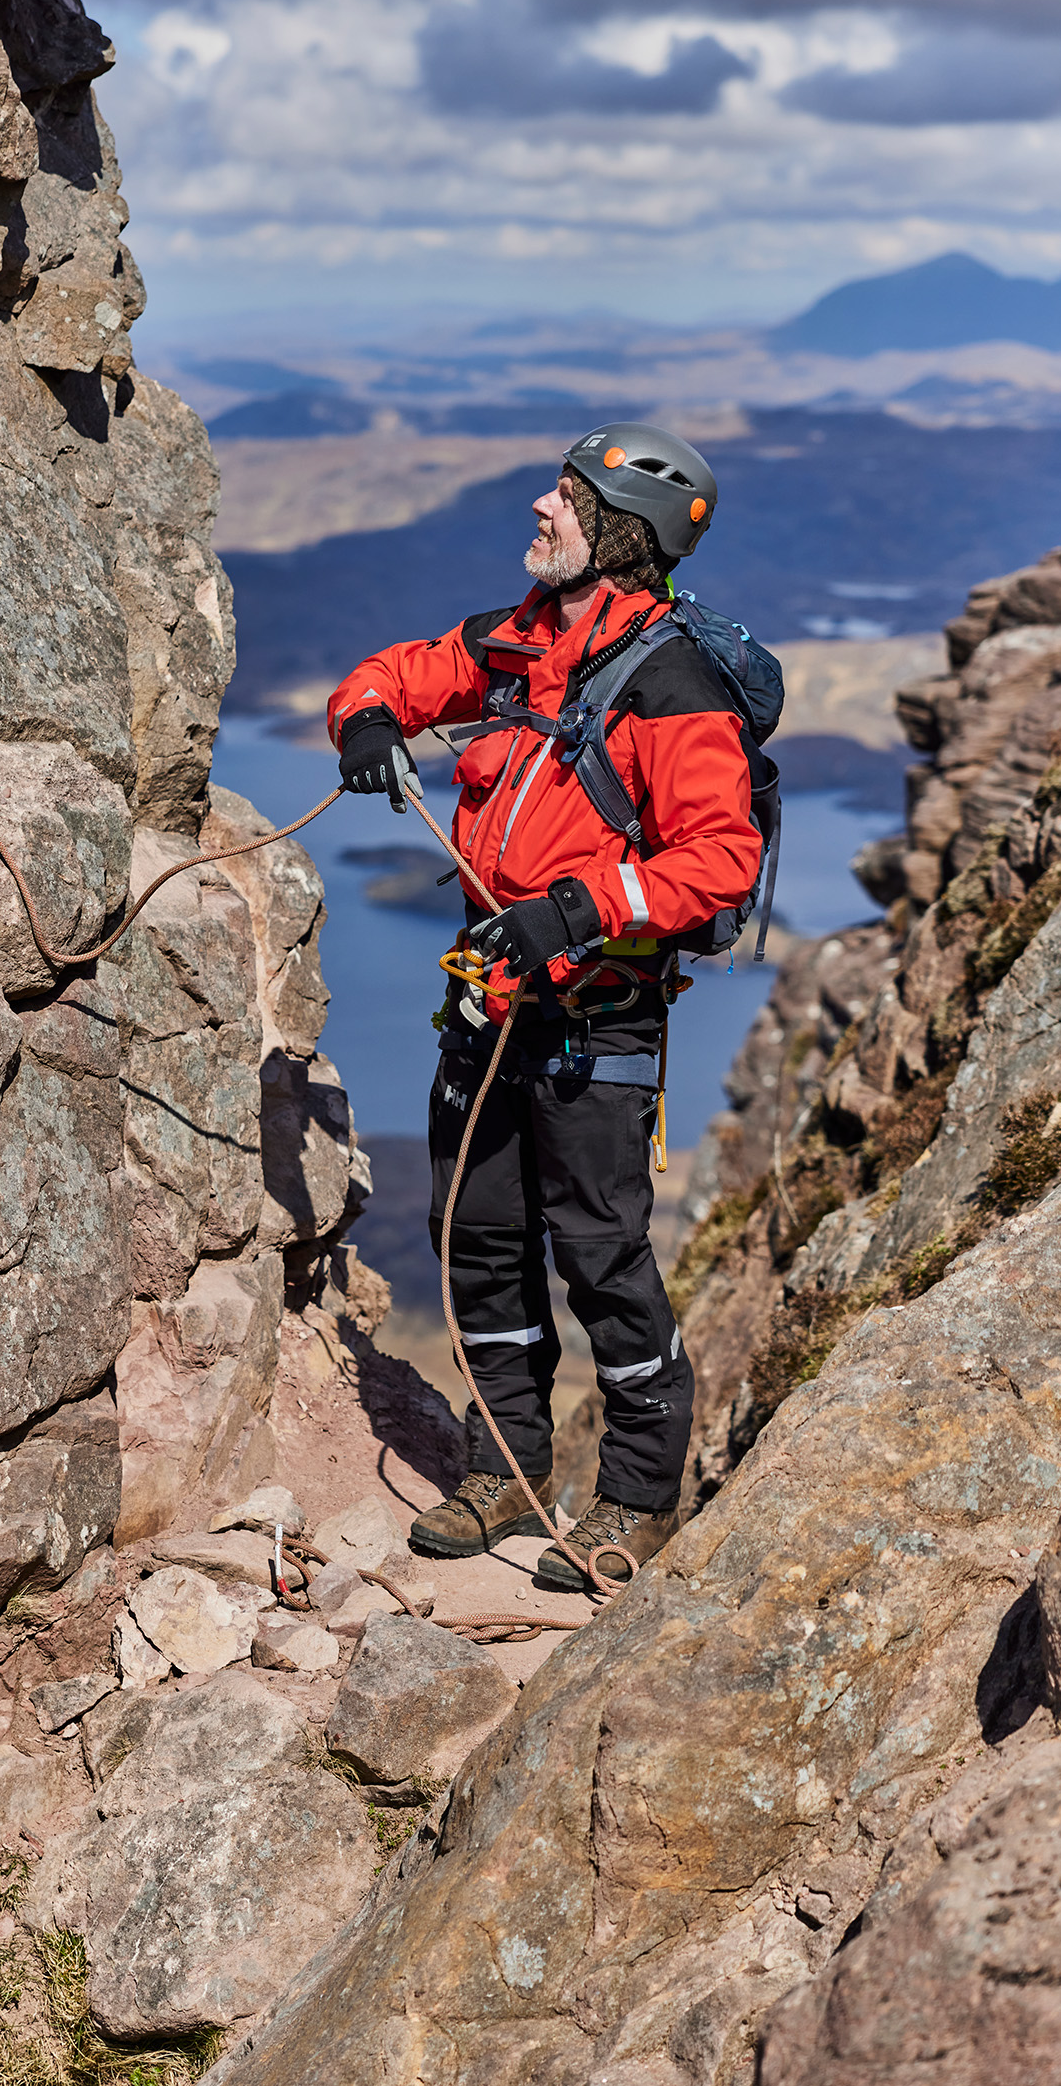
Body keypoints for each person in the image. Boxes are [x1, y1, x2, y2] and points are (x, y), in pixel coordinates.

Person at [327, 424, 763, 1588]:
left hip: (595, 1015)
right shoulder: (521, 645)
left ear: (623, 535)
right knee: (473, 1237)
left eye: (566, 497)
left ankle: (632, 1501)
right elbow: (392, 676)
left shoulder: (674, 683)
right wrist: (366, 723)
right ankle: (505, 1473)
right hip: (490, 998)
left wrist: (577, 911)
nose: (540, 506)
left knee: (599, 1254)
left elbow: (719, 859)